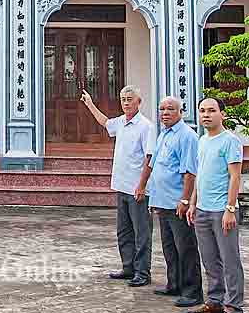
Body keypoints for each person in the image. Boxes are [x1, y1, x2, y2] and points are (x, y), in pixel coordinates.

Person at [81, 85, 156, 287]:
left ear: (139, 102)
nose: (125, 102)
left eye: (129, 99)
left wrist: (142, 185)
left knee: (141, 232)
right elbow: (105, 122)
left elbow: (149, 157)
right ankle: (128, 267)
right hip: (121, 186)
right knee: (123, 230)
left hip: (137, 189)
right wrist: (90, 104)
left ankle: (142, 272)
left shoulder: (146, 126)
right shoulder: (121, 122)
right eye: (123, 99)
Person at [136, 96, 203, 308]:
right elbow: (154, 165)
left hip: (177, 203)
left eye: (170, 109)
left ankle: (192, 292)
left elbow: (190, 172)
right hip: (162, 201)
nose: (165, 113)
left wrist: (185, 199)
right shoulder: (163, 134)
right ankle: (174, 284)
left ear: (181, 112)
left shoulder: (187, 136)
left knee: (186, 248)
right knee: (169, 248)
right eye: (162, 109)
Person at [186, 98, 245, 313]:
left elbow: (235, 177)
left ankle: (233, 304)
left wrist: (230, 209)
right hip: (202, 209)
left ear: (223, 114)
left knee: (230, 260)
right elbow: (200, 175)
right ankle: (214, 300)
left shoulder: (230, 141)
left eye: (212, 110)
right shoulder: (202, 141)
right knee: (209, 259)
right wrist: (193, 203)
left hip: (223, 210)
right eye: (202, 111)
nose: (206, 115)